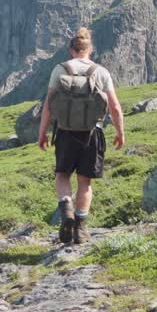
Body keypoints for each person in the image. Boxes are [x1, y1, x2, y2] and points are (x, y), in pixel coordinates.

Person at [37, 27, 124, 244]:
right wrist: (120, 132)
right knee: (85, 183)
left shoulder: (60, 69)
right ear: (90, 49)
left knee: (63, 175)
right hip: (92, 133)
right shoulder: (101, 72)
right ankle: (81, 228)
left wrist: (42, 134)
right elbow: (114, 106)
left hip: (65, 132)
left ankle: (66, 209)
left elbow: (48, 105)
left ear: (71, 49)